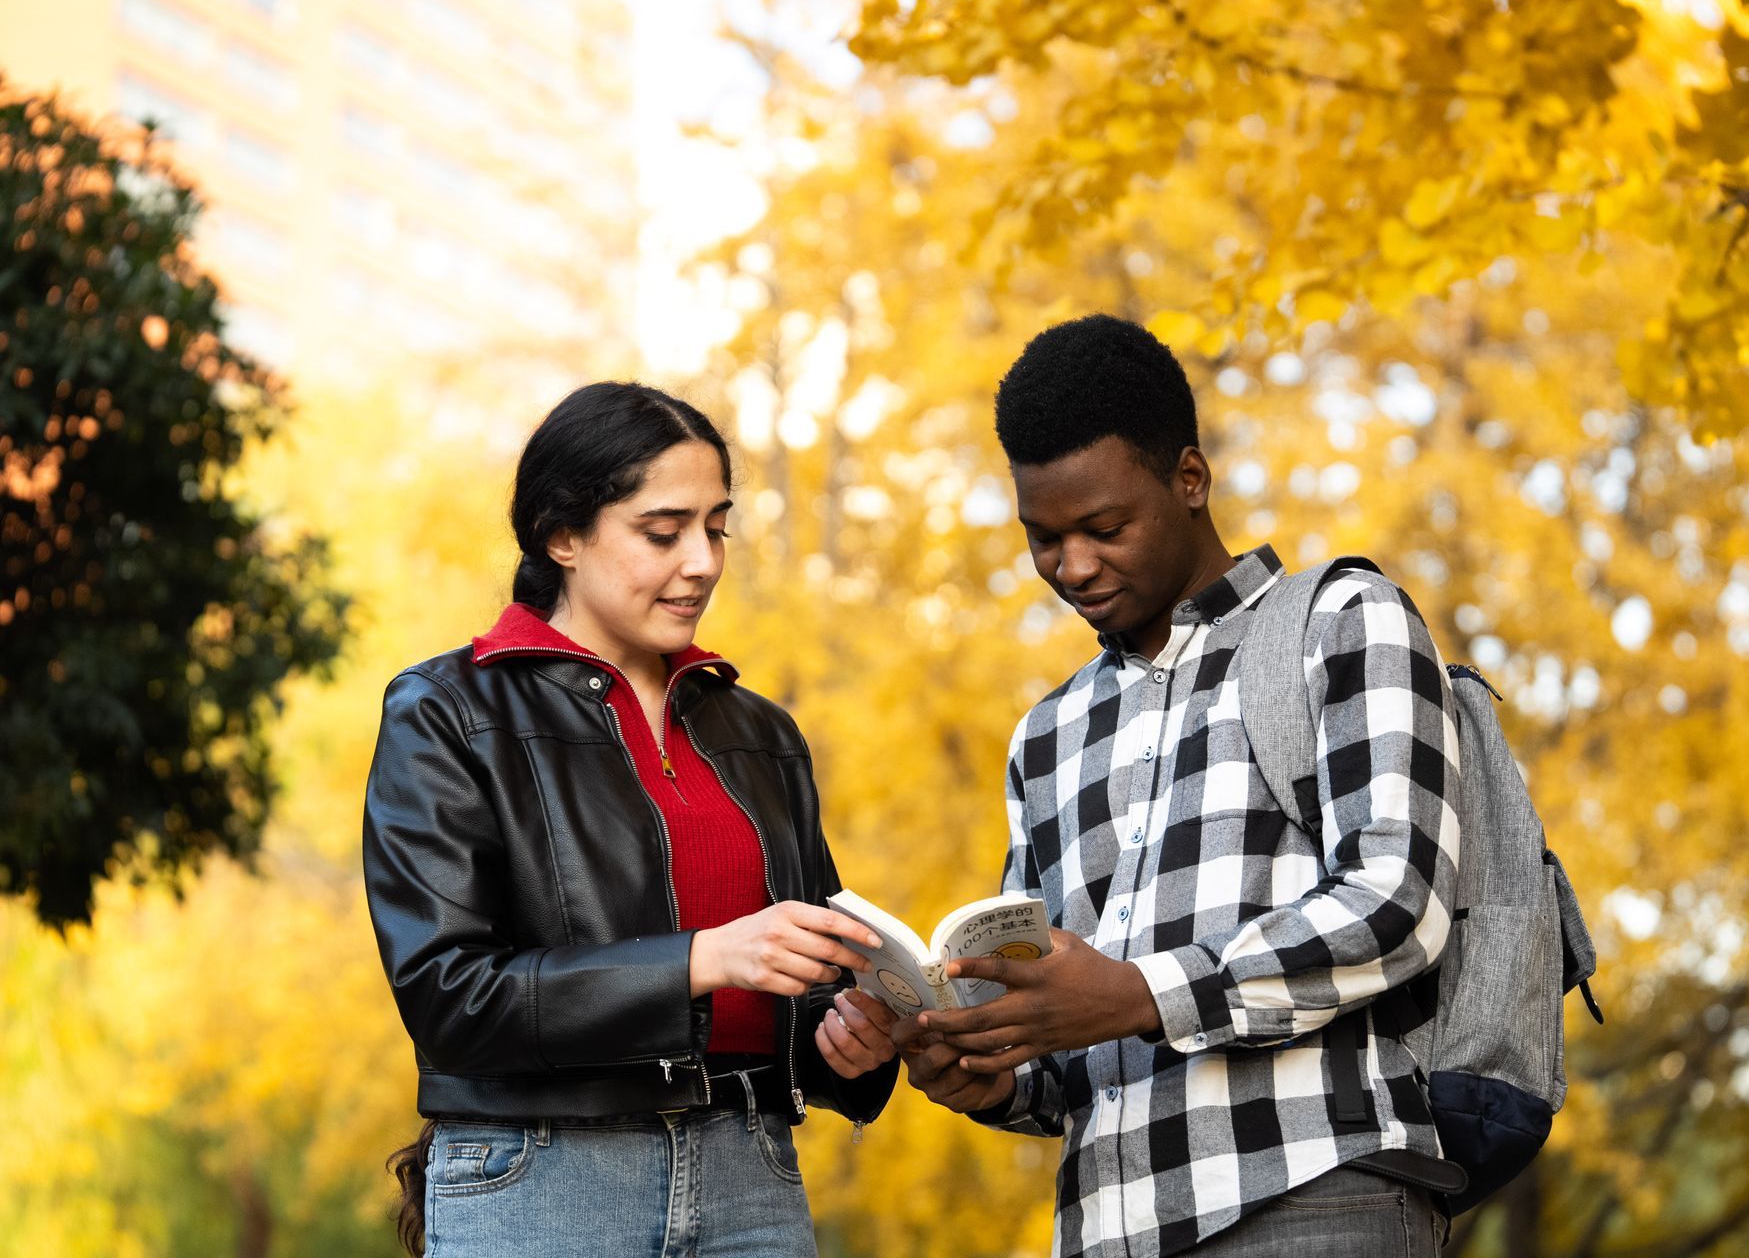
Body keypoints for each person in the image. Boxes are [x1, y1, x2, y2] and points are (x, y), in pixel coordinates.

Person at [893, 316, 1464, 1257]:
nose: (1073, 567)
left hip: (1314, 1200)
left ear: (1189, 481)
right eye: (1044, 539)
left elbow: (1399, 901)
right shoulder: (1047, 735)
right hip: (1108, 1230)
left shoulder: (1341, 621)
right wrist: (993, 1075)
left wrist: (1137, 995)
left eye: (1104, 528)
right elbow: (1071, 1041)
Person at [363, 382, 899, 1258]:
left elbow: (809, 981)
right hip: (541, 1183)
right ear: (562, 535)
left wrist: (853, 1037)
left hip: (752, 1178)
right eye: (664, 531)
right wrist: (706, 957)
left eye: (717, 527)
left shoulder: (761, 734)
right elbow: (449, 1000)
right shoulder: (446, 713)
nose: (704, 561)